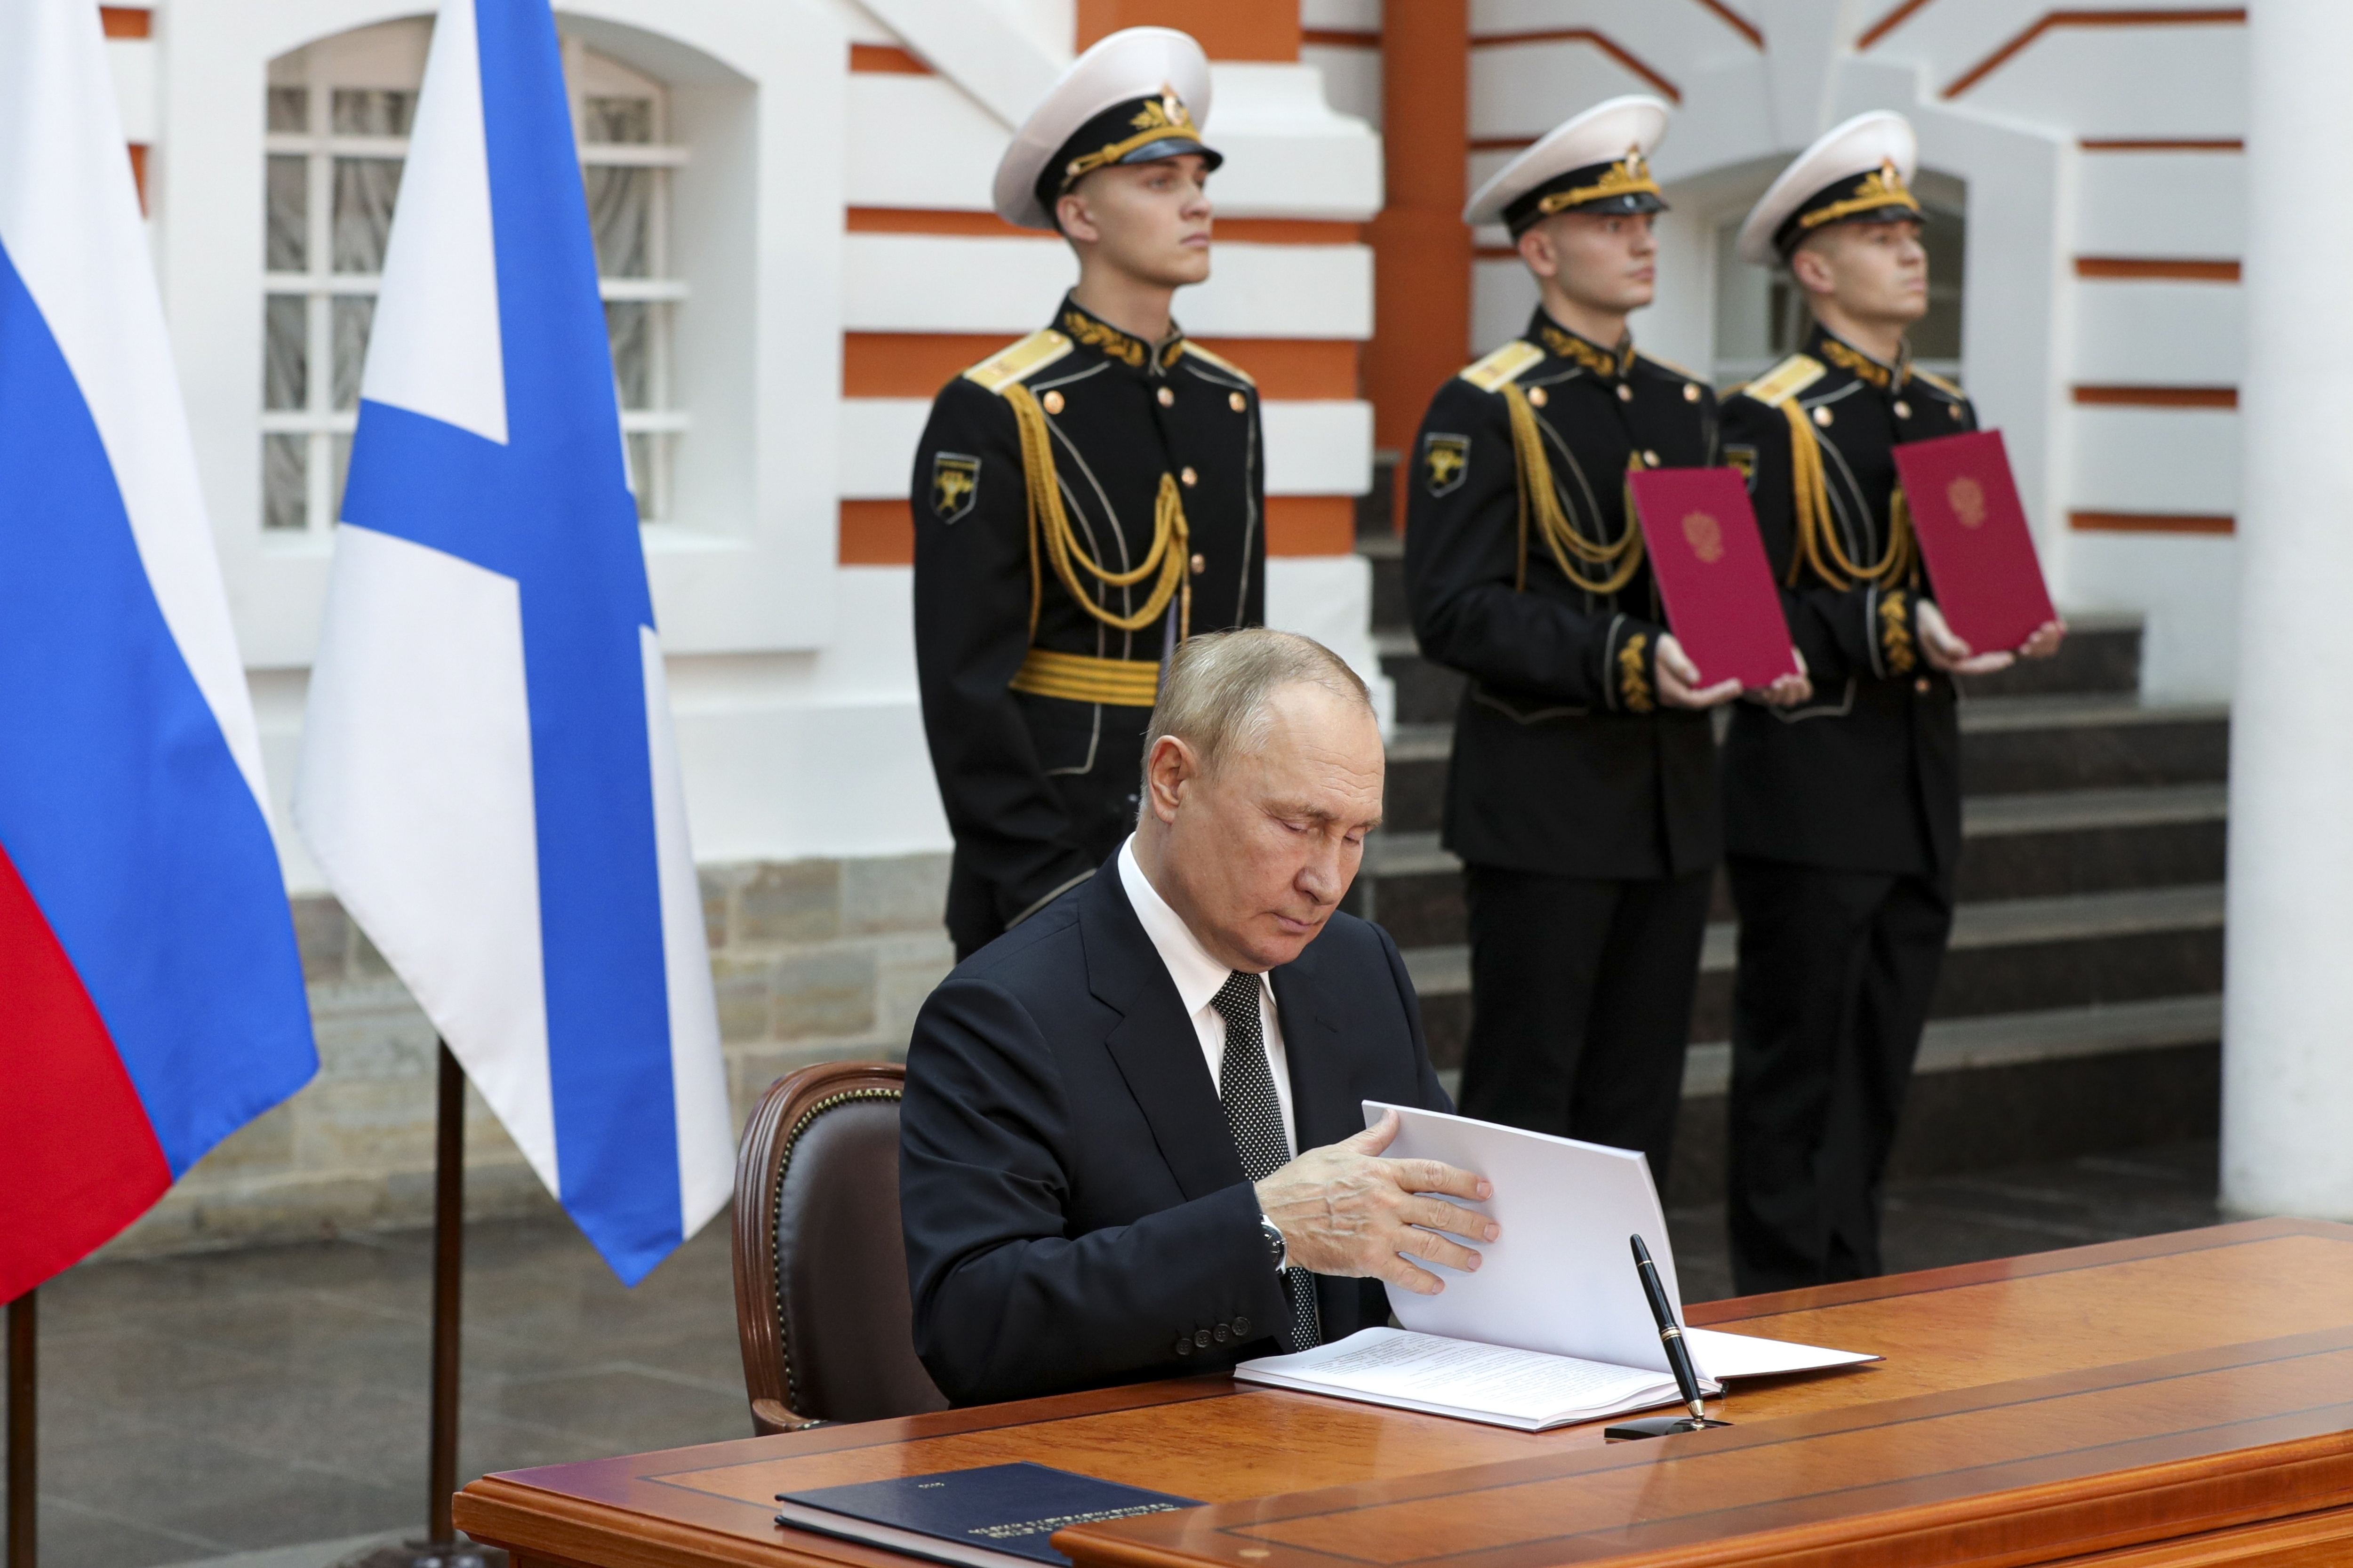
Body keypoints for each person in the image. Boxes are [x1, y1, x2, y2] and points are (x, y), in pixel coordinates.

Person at [899, 629, 1491, 1406]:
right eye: (1298, 825)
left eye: (1355, 837)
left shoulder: (1358, 965)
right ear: (1173, 780)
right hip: (1143, 1477)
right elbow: (976, 1325)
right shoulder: (1005, 1013)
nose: (1328, 880)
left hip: (1363, 1461)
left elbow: (1436, 1227)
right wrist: (1265, 1228)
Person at [1403, 96, 1809, 1186]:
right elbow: (1451, 608)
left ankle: (1622, 1322)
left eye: (1645, 217)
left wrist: (1751, 648)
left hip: (1669, 803)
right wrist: (1629, 658)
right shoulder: (1483, 406)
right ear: (1539, 249)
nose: (1642, 239)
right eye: (1611, 222)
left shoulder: (1683, 403)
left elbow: (1710, 577)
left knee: (1639, 1099)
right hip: (1543, 804)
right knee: (1529, 1092)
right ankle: (1495, 1330)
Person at [1719, 112, 2065, 1293]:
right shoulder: (1767, 417)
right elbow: (1741, 615)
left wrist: (2007, 615)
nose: (1911, 250)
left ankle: (1855, 1273)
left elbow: (1962, 586)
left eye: (1911, 230)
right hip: (1810, 789)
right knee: (1796, 1066)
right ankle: (1780, 1290)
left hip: (1918, 784)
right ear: (1815, 269)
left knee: (1878, 1059)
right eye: (1878, 233)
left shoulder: (1942, 412)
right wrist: (1892, 626)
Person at [912, 28, 1267, 961]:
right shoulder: (997, 409)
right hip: (1054, 862)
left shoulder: (1225, 402)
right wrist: (1051, 891)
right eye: (1159, 182)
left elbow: (1240, 658)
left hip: (1202, 856)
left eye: (1198, 179)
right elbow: (965, 694)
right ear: (1079, 214)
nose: (1197, 203)